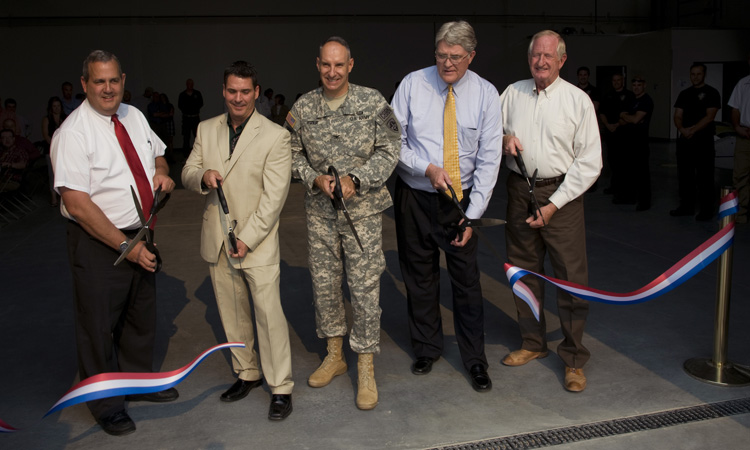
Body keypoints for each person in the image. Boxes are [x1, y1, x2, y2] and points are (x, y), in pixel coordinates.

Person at [50, 50, 177, 436]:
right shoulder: (73, 133)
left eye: (114, 80)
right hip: (99, 242)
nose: (108, 88)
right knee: (97, 325)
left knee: (139, 317)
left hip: (141, 231)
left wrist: (162, 174)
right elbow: (76, 203)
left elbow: (158, 156)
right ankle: (106, 405)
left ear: (123, 80)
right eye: (99, 81)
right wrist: (127, 247)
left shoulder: (133, 116)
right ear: (85, 84)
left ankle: (136, 383)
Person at [288, 36, 400, 410]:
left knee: (365, 288)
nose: (332, 72)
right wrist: (313, 178)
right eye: (325, 65)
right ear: (317, 64)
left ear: (350, 65)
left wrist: (359, 178)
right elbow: (289, 152)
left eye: (339, 65)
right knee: (324, 284)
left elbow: (390, 149)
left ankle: (365, 365)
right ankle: (335, 354)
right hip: (320, 212)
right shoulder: (303, 107)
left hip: (363, 213)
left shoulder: (372, 102)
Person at [391, 20, 502, 393]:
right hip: (416, 194)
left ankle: (475, 359)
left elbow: (489, 160)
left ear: (471, 56)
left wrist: (473, 216)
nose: (447, 64)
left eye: (456, 57)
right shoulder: (412, 85)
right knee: (419, 277)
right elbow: (394, 143)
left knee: (467, 283)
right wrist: (427, 168)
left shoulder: (486, 95)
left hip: (462, 200)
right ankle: (427, 348)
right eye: (441, 55)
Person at [182, 60, 294, 421]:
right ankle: (247, 372)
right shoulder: (205, 128)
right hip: (217, 239)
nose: (239, 98)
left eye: (246, 91)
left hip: (256, 242)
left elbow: (274, 198)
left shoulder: (276, 136)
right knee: (232, 315)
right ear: (223, 92)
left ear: (256, 93)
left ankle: (281, 387)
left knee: (268, 316)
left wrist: (246, 237)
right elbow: (186, 171)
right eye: (232, 91)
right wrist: (202, 175)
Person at [500, 30, 602, 393]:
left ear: (562, 60)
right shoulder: (512, 93)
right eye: (535, 56)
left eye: (548, 56)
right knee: (523, 270)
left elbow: (590, 163)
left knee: (571, 278)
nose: (540, 62)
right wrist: (503, 139)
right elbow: (489, 133)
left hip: (563, 195)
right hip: (519, 191)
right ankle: (532, 343)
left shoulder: (578, 101)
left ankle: (573, 358)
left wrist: (554, 204)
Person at [671, 63, 721, 221]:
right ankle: (686, 206)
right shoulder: (684, 94)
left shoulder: (712, 93)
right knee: (685, 176)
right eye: (693, 74)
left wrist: (692, 130)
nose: (695, 77)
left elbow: (710, 116)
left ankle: (706, 210)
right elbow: (678, 115)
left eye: (698, 74)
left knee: (705, 176)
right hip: (685, 141)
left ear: (704, 74)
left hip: (703, 141)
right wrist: (682, 129)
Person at [619, 76, 654, 211]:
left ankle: (644, 202)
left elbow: (634, 119)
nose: (636, 87)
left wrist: (627, 117)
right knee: (629, 172)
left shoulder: (646, 100)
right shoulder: (630, 99)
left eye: (639, 85)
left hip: (641, 143)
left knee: (642, 174)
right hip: (629, 142)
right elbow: (621, 119)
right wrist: (629, 118)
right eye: (634, 85)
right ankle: (630, 197)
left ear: (644, 86)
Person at [599, 73, 635, 203]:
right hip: (611, 133)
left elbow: (630, 114)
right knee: (612, 160)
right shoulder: (608, 95)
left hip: (624, 134)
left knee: (624, 163)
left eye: (619, 80)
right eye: (614, 80)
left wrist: (617, 124)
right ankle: (614, 186)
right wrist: (608, 125)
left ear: (623, 81)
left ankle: (624, 190)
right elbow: (602, 112)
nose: (616, 82)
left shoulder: (630, 95)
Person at [728, 56, 750, 224]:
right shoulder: (743, 84)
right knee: (741, 174)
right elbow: (735, 108)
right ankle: (742, 213)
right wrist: (737, 127)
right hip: (745, 135)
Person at [42, 96, 67, 206]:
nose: (56, 108)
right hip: (51, 149)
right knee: (52, 173)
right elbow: (46, 135)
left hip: (65, 149)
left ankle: (64, 196)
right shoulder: (47, 119)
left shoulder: (65, 117)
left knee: (64, 173)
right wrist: (55, 146)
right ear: (51, 108)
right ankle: (53, 197)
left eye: (58, 106)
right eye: (54, 106)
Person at [178, 78, 203, 152]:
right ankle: (185, 155)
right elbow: (180, 105)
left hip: (195, 117)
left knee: (197, 136)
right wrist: (187, 109)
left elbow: (201, 103)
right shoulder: (182, 94)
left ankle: (199, 153)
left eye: (192, 84)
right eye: (189, 84)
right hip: (186, 118)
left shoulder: (197, 93)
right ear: (186, 85)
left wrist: (194, 109)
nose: (190, 85)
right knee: (186, 137)